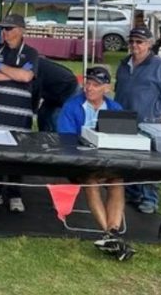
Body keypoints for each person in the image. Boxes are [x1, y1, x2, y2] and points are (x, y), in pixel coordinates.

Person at [57, 66, 135, 261]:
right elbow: (65, 141)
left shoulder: (115, 109)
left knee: (117, 181)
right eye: (87, 83)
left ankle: (112, 234)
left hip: (108, 163)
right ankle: (110, 234)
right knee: (91, 182)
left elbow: (123, 141)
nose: (88, 88)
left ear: (106, 89)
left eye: (95, 85)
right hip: (81, 165)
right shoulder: (72, 106)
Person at [0, 13, 39, 213]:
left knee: (17, 154)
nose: (5, 32)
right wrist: (13, 75)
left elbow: (26, 76)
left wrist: (1, 67)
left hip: (19, 113)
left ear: (21, 30)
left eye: (9, 29)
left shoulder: (31, 52)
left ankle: (15, 195)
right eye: (3, 29)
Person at [115, 25, 161, 214]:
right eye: (132, 41)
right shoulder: (124, 63)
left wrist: (154, 112)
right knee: (127, 159)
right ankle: (132, 192)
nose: (134, 45)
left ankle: (149, 198)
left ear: (149, 45)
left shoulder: (159, 65)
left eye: (139, 42)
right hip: (124, 120)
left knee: (147, 163)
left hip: (148, 123)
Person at [33, 57, 79, 132]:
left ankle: (58, 141)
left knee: (55, 119)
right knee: (43, 115)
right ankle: (44, 138)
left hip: (69, 89)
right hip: (53, 92)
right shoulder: (29, 63)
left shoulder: (30, 67)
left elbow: (35, 91)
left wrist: (31, 112)